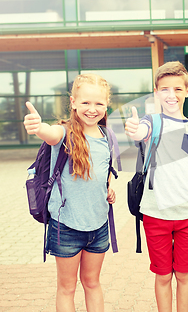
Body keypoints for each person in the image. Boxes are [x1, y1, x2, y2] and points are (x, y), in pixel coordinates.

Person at [23, 73, 116, 312]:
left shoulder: (107, 137)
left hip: (98, 226)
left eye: (99, 103)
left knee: (93, 283)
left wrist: (108, 189)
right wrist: (38, 127)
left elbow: (100, 175)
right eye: (85, 102)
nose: (92, 109)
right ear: (73, 102)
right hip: (65, 227)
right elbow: (49, 133)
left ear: (107, 105)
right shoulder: (63, 133)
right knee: (67, 288)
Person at [124, 61, 188, 312]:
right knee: (163, 276)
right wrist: (135, 129)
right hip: (155, 214)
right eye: (164, 89)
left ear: (187, 91)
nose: (170, 95)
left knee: (184, 274)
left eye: (176, 89)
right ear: (156, 92)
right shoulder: (151, 121)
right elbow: (141, 131)